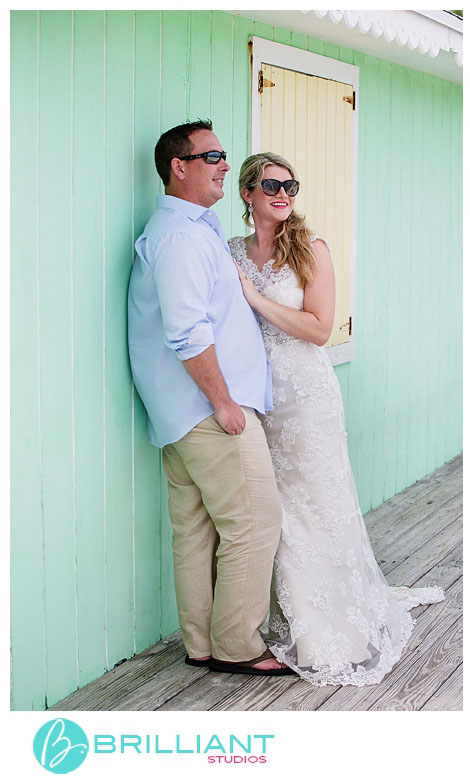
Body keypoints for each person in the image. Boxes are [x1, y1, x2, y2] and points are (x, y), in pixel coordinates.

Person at [228, 152, 445, 686]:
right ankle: (289, 615)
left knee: (317, 504)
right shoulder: (230, 251)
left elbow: (319, 328)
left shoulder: (309, 248)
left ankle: (332, 629)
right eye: (271, 185)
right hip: (257, 397)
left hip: (305, 396)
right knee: (275, 509)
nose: (283, 193)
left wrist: (253, 297)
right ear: (247, 194)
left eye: (291, 185)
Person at [128, 120, 290, 676]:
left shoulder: (192, 227)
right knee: (255, 522)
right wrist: (223, 403)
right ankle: (238, 646)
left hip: (182, 412)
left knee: (196, 528)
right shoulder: (178, 236)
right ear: (179, 166)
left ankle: (200, 644)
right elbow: (187, 332)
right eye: (213, 155)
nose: (225, 164)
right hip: (206, 410)